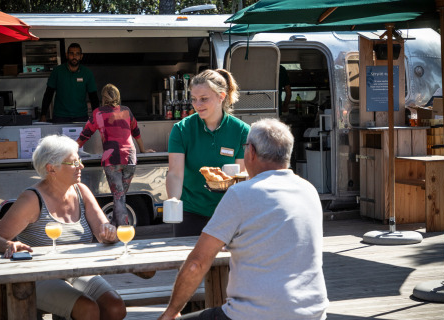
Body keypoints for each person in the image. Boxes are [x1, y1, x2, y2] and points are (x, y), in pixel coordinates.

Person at [159, 118, 328, 320]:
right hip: (313, 313)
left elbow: (197, 264)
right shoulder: (309, 190)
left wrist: (169, 313)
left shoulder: (240, 193)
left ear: (252, 152)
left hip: (254, 315)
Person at [0, 135, 127, 320]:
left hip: (78, 270)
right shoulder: (32, 199)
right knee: (87, 309)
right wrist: (9, 244)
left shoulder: (81, 191)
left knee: (115, 307)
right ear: (51, 168)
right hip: (39, 275)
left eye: (80, 161)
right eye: (74, 162)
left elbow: (103, 231)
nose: (81, 166)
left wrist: (109, 234)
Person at [166, 69, 250, 237]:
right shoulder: (181, 129)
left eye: (204, 99)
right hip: (191, 213)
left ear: (221, 96)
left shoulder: (241, 130)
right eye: (194, 99)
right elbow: (175, 173)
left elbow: (243, 175)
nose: (197, 105)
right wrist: (174, 200)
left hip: (228, 214)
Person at [77, 83, 155, 227]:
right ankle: (117, 225)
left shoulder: (98, 113)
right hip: (130, 158)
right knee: (121, 197)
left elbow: (85, 135)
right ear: (118, 96)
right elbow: (136, 132)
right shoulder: (126, 111)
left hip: (112, 159)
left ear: (103, 97)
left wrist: (71, 149)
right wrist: (143, 150)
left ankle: (121, 231)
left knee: (118, 197)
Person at [40, 43, 99, 123]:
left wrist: (97, 116)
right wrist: (43, 114)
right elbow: (48, 94)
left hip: (80, 116)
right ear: (67, 55)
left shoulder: (87, 73)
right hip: (60, 116)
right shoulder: (57, 71)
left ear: (81, 56)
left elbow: (93, 97)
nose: (74, 57)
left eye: (77, 54)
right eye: (71, 53)